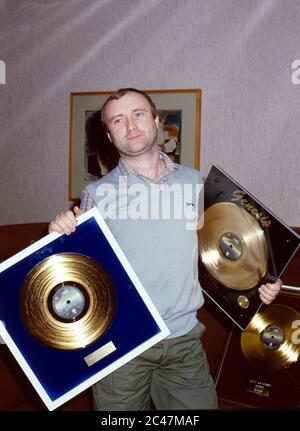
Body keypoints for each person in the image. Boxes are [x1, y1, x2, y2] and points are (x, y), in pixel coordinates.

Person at [49, 88, 282, 410]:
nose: (129, 124)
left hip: (184, 343)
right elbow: (75, 270)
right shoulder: (96, 194)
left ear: (157, 121)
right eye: (117, 120)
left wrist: (261, 281)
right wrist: (59, 233)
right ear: (108, 134)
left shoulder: (197, 184)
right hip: (122, 345)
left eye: (138, 113)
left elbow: (225, 251)